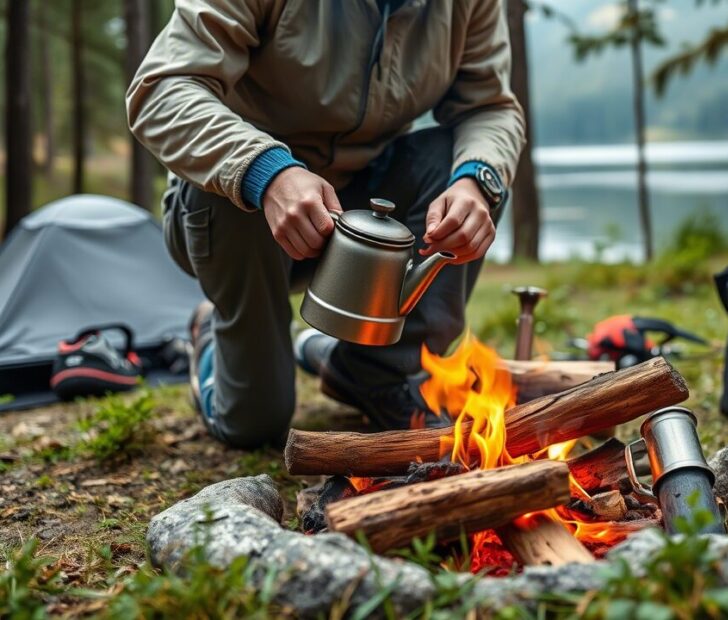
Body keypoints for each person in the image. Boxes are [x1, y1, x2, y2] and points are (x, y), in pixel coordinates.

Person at [126, 0, 525, 448]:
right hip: (239, 211)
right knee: (254, 425)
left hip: (362, 212)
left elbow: (490, 107)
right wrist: (267, 172)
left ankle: (376, 370)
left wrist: (474, 182)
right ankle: (211, 339)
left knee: (463, 163)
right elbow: (161, 89)